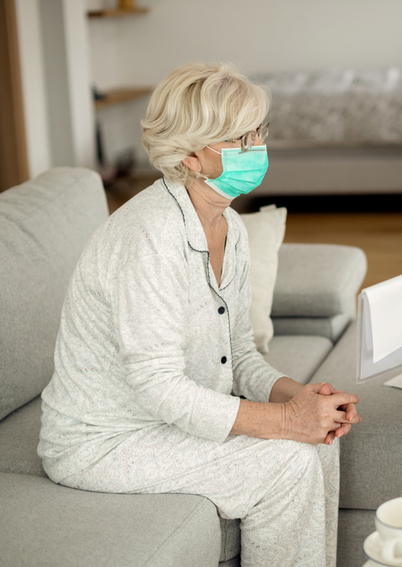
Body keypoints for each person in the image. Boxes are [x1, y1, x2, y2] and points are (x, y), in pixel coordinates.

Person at [38, 62, 361, 567]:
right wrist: (283, 421)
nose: (257, 147)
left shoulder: (229, 224)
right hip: (104, 441)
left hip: (163, 422)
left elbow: (240, 354)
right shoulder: (148, 236)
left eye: (259, 132)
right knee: (288, 460)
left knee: (318, 441)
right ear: (189, 156)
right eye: (239, 138)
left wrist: (295, 398)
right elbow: (157, 384)